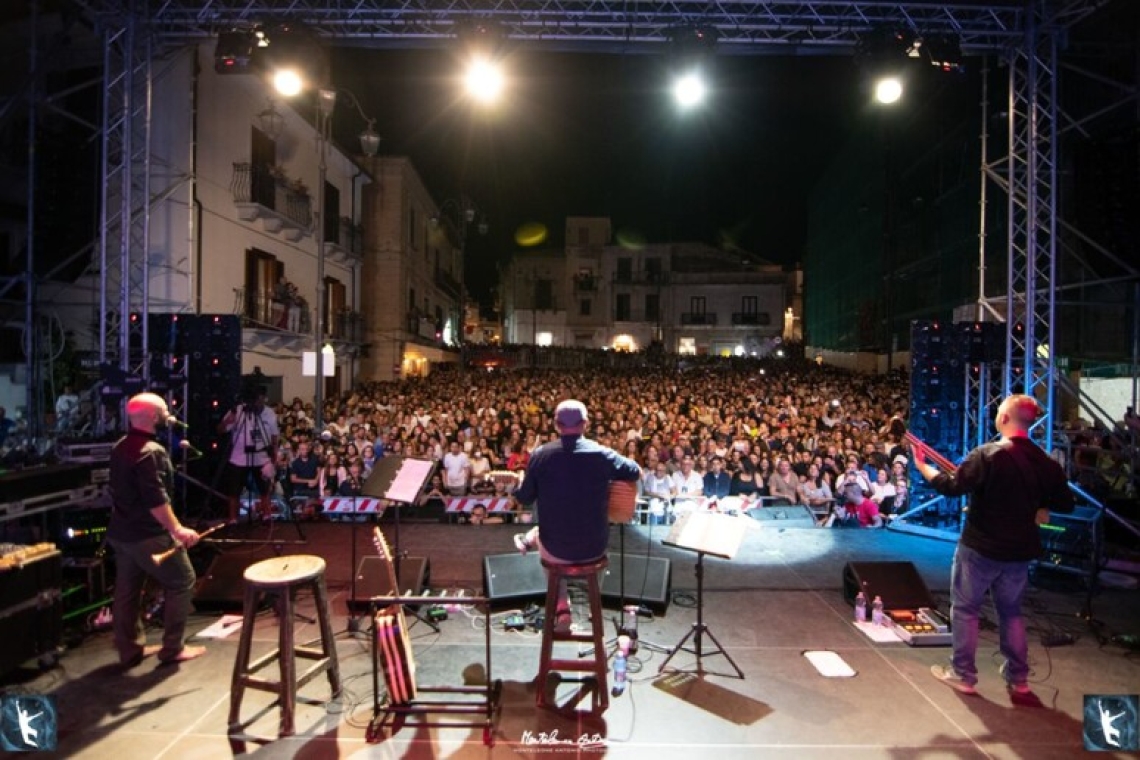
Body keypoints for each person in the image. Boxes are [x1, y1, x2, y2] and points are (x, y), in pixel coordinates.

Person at [917, 394, 1074, 696]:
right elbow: (1066, 503)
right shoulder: (1046, 463)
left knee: (965, 609)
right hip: (1019, 552)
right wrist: (1040, 506)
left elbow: (951, 486)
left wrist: (924, 468)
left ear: (1004, 418)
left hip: (981, 548)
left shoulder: (987, 455)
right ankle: (1019, 679)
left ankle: (963, 674)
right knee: (1011, 612)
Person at [512, 400, 641, 633]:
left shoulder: (540, 455)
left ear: (555, 424)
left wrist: (517, 484)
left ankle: (562, 607)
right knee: (592, 540)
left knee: (545, 539)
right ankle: (595, 603)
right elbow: (635, 471)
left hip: (556, 549)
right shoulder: (601, 454)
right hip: (594, 548)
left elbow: (524, 498)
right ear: (586, 424)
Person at [106, 392, 205, 666]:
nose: (168, 414)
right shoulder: (152, 452)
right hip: (148, 534)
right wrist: (177, 530)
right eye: (163, 410)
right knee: (182, 581)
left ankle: (129, 649)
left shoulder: (120, 446)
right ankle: (172, 649)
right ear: (152, 416)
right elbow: (156, 500)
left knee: (127, 590)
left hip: (121, 533)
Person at [219, 388, 279, 522]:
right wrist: (229, 421)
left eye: (259, 400)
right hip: (239, 458)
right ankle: (233, 519)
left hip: (261, 457)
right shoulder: (238, 411)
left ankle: (267, 517)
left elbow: (274, 437)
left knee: (264, 490)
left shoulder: (269, 414)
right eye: (255, 400)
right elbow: (220, 430)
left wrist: (273, 458)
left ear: (264, 399)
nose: (257, 403)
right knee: (234, 491)